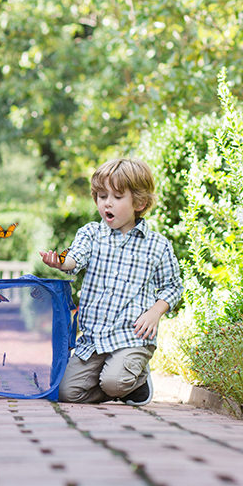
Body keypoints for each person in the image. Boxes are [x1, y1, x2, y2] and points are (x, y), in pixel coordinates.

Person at [40, 158, 183, 406]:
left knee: (114, 381)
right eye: (101, 195)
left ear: (139, 202)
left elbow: (173, 287)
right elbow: (76, 258)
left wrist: (155, 312)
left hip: (132, 336)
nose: (107, 202)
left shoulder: (157, 245)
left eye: (117, 197)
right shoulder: (91, 234)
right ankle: (120, 385)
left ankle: (132, 381)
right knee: (65, 392)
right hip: (94, 339)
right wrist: (61, 262)